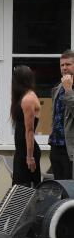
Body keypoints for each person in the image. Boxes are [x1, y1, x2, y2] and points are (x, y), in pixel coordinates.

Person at [11, 65, 41, 187]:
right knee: (18, 188)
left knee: (25, 189)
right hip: (21, 151)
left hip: (27, 153)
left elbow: (29, 130)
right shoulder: (22, 97)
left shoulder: (28, 99)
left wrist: (30, 157)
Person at [49, 50, 74, 180]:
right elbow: (55, 115)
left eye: (68, 64)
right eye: (62, 65)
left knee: (70, 192)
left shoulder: (67, 88)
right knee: (59, 189)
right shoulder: (58, 88)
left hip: (70, 149)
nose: (64, 68)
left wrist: (69, 90)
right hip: (56, 146)